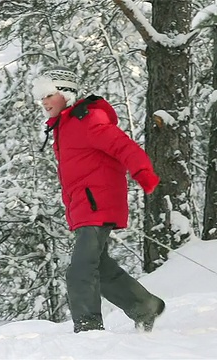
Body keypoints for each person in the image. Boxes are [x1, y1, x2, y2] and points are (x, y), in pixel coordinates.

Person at [31, 65, 165, 333]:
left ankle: (88, 329)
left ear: (67, 94)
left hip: (97, 204)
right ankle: (144, 306)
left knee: (80, 269)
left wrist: (143, 173)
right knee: (99, 267)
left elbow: (123, 146)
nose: (43, 102)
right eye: (40, 97)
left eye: (48, 95)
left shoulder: (87, 120)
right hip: (84, 205)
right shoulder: (64, 126)